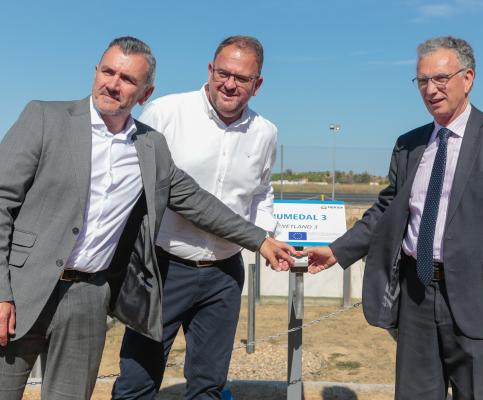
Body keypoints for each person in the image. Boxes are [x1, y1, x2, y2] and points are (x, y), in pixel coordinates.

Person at [0, 36, 293, 400]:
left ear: (145, 93)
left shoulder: (149, 146)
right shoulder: (45, 118)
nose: (113, 84)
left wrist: (261, 239)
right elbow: (2, 201)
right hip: (24, 290)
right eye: (108, 72)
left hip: (89, 297)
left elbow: (197, 202)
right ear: (95, 71)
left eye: (127, 79)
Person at [306, 36, 483, 400]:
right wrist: (338, 250)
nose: (431, 90)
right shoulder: (408, 144)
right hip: (417, 294)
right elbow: (387, 210)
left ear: (468, 78)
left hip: (482, 302)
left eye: (441, 78)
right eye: (422, 81)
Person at [112, 36, 278, 399]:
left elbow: (262, 192)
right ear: (210, 69)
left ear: (257, 84)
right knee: (136, 385)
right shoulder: (165, 113)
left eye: (242, 78)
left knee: (208, 387)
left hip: (224, 275)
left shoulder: (266, 133)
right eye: (223, 73)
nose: (230, 84)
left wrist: (265, 235)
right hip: (163, 269)